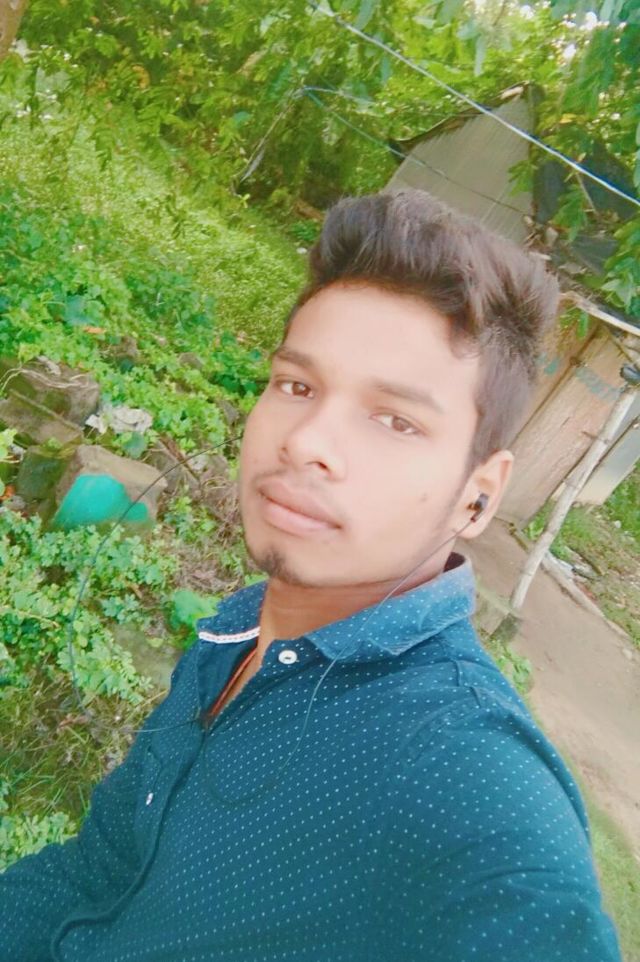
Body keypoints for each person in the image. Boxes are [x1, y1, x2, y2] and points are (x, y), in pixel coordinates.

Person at [0, 189, 622, 962]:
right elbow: (98, 871)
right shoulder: (239, 630)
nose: (307, 441)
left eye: (395, 420)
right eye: (297, 386)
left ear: (479, 495)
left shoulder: (465, 781)